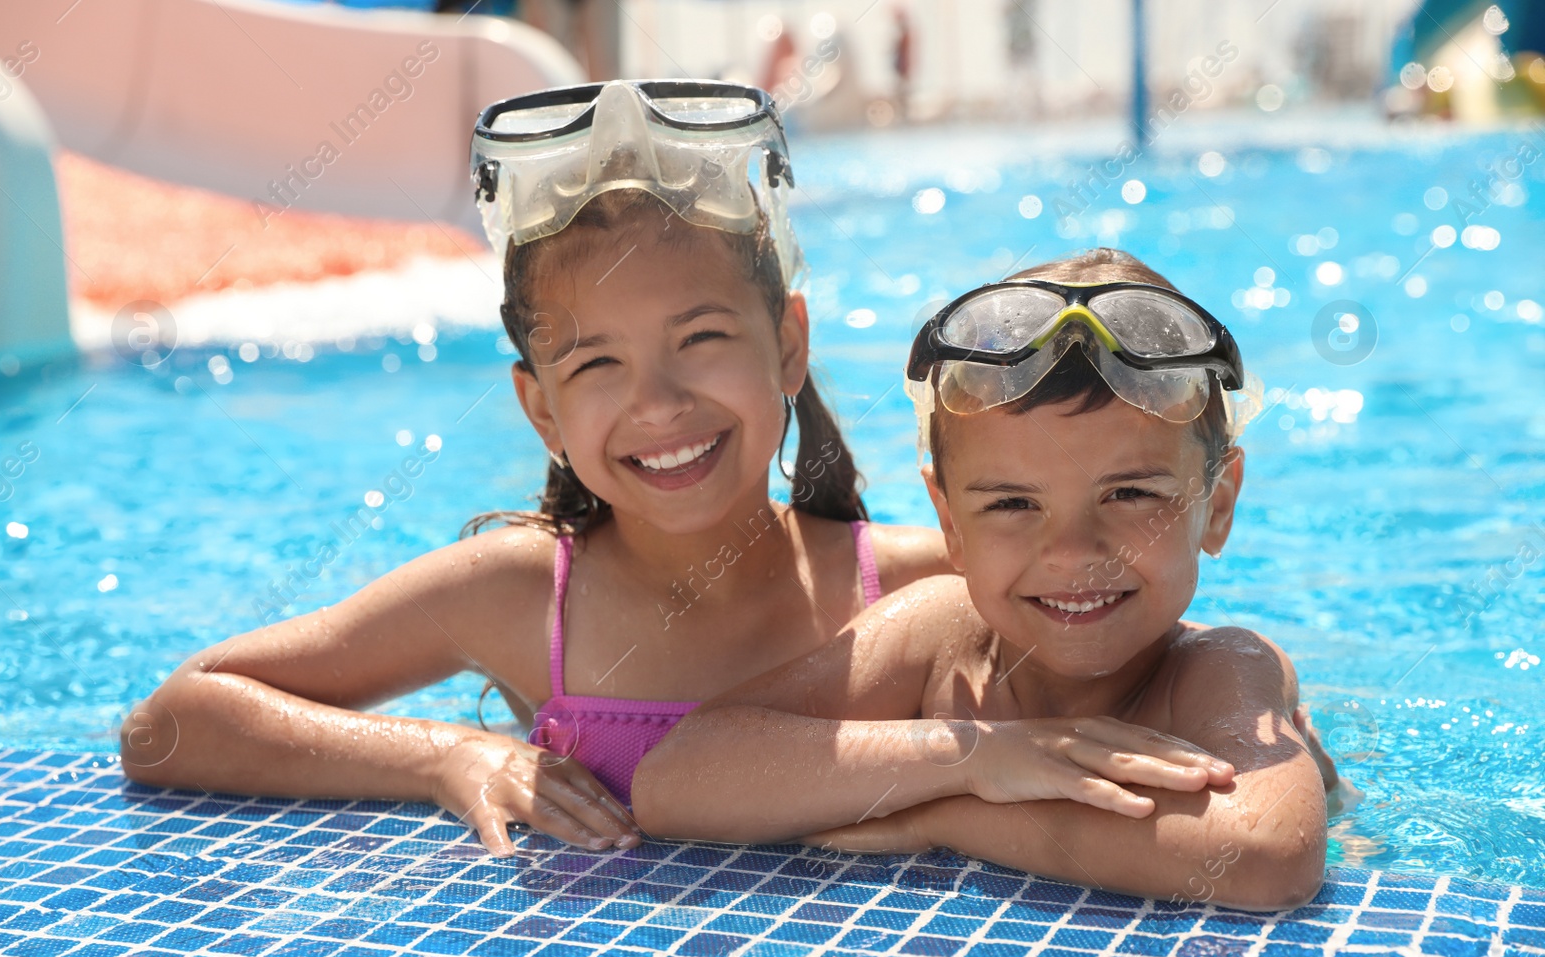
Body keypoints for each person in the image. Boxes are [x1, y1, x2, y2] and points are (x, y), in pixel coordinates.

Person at [119, 80, 965, 858]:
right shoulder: (520, 597)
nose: (659, 403)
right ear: (543, 410)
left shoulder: (913, 589)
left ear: (788, 343)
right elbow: (172, 722)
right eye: (598, 364)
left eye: (701, 338)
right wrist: (446, 754)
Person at [633, 248, 1332, 911]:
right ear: (950, 522)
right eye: (1012, 503)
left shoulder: (1218, 669)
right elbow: (672, 781)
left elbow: (1273, 855)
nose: (1071, 550)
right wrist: (972, 754)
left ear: (1219, 505)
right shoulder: (939, 639)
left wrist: (947, 814)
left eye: (1130, 495)